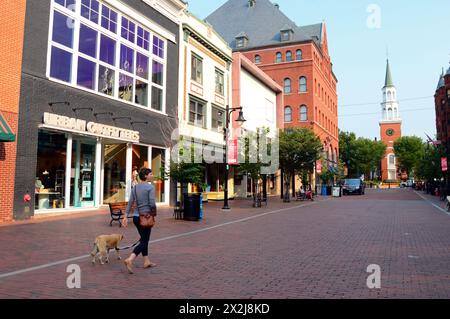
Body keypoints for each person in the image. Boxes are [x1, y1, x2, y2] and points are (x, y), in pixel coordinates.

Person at [122, 167, 157, 274]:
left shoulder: (135, 188)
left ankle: (146, 261)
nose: (152, 175)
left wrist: (125, 216)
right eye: (150, 174)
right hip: (146, 217)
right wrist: (154, 213)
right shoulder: (150, 187)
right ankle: (130, 259)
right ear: (146, 176)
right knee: (144, 241)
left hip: (136, 218)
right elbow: (151, 202)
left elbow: (130, 202)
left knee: (144, 239)